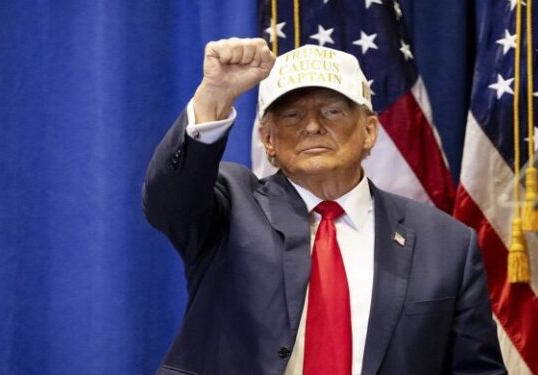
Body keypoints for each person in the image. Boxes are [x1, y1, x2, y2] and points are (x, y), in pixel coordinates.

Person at [143, 37, 506, 375]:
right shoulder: (230, 206)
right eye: (292, 116)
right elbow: (169, 201)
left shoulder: (445, 244)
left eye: (332, 111)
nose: (313, 126)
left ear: (369, 131)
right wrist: (214, 97)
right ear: (268, 140)